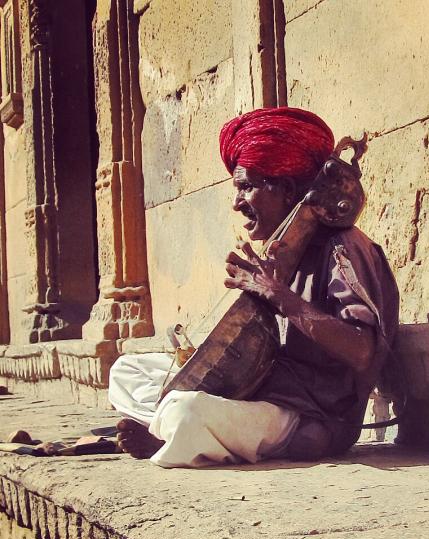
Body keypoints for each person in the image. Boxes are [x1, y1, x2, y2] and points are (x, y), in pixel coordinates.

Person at [109, 107, 399, 468]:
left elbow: (362, 351)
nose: (236, 203)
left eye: (246, 187)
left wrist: (276, 294)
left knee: (186, 410)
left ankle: (172, 434)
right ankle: (175, 429)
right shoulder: (285, 250)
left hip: (309, 417)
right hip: (265, 388)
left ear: (287, 189)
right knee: (125, 372)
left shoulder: (344, 248)